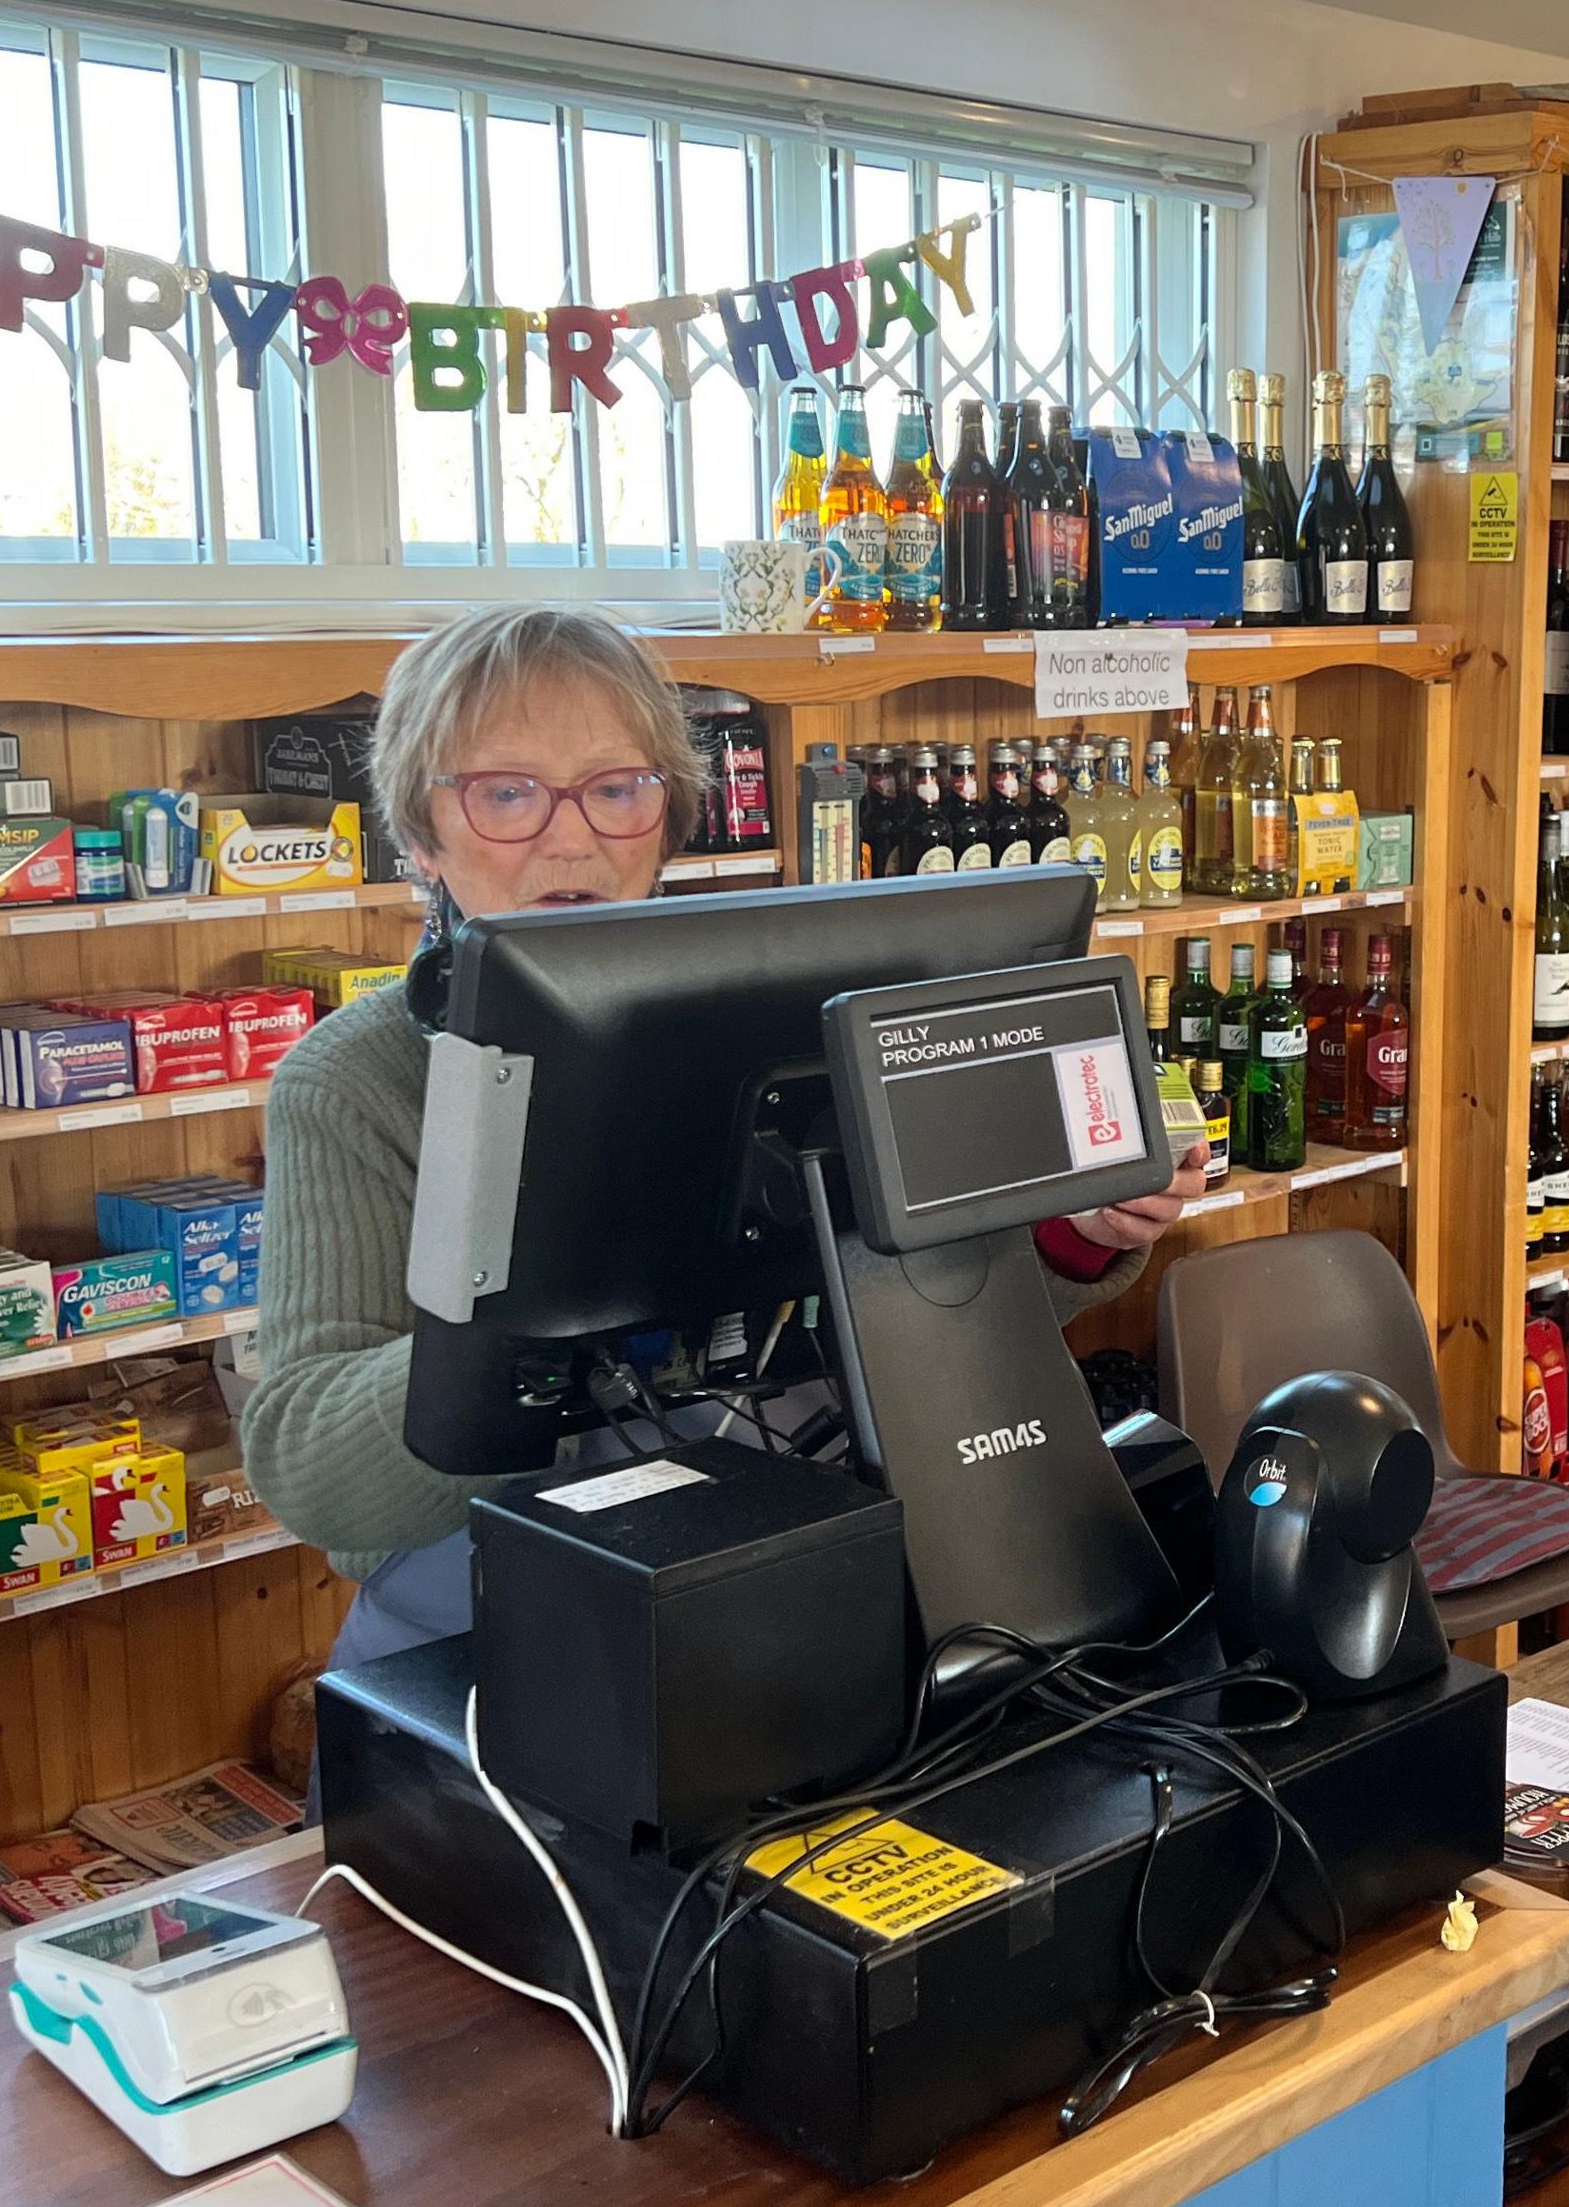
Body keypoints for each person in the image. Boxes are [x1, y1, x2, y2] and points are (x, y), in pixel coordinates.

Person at [242, 603, 1200, 1673]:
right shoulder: (358, 1081)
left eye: (615, 789)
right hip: (494, 1627)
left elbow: (936, 1291)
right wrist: (525, 1314)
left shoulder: (801, 998)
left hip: (811, 1575)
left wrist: (1072, 1223)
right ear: (421, 833)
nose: (570, 837)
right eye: (505, 794)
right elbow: (309, 1470)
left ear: (671, 812)